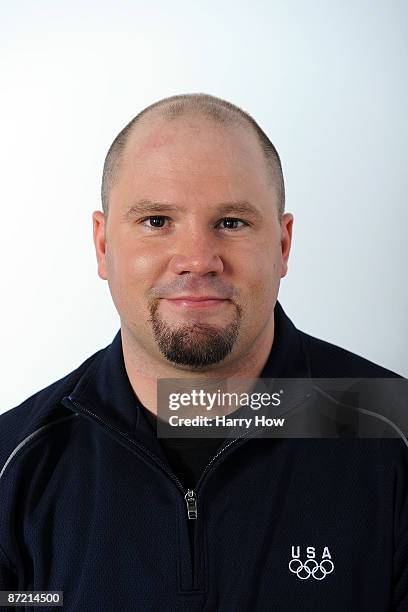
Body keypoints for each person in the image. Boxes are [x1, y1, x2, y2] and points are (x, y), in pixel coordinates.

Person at [0, 93, 407, 611]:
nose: (197, 259)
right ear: (103, 246)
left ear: (283, 246)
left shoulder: (394, 436)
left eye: (232, 222)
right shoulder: (14, 465)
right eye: (156, 221)